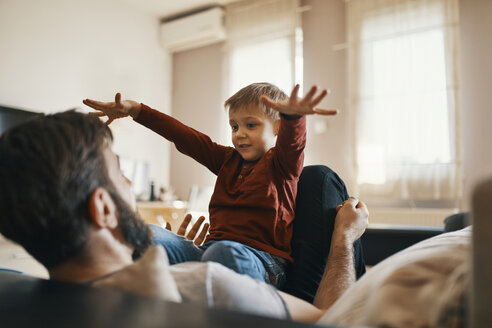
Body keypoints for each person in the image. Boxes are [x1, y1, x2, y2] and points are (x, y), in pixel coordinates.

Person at [0, 110, 367, 322]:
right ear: (104, 208)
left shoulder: (17, 296)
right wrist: (344, 241)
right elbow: (337, 322)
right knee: (319, 178)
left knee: (158, 236)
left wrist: (183, 253)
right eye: (118, 171)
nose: (129, 181)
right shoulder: (209, 283)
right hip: (265, 283)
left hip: (240, 255)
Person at [83, 83, 338, 287]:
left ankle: (199, 282)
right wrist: (136, 109)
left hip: (262, 262)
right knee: (147, 234)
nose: (239, 133)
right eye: (234, 126)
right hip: (209, 251)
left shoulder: (282, 165)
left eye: (251, 125)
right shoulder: (227, 159)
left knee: (224, 254)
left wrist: (294, 117)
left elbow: (294, 143)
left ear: (278, 128)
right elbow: (184, 136)